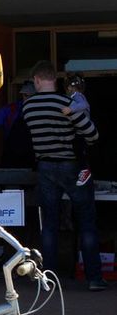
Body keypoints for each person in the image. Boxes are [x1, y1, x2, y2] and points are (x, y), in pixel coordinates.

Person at [21, 61, 107, 292]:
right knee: (86, 221)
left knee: (49, 224)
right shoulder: (66, 103)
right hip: (72, 166)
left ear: (37, 80)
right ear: (54, 79)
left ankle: (49, 277)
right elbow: (92, 133)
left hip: (45, 167)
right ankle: (94, 278)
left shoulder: (28, 108)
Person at [0, 82, 36, 169]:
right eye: (25, 95)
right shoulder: (11, 110)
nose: (26, 98)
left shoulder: (41, 111)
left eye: (30, 96)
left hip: (33, 159)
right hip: (11, 158)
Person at [61, 74, 92, 186]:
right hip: (79, 131)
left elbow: (84, 105)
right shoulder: (76, 96)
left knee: (79, 151)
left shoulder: (77, 95)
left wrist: (70, 109)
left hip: (82, 131)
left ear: (69, 87)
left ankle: (85, 170)